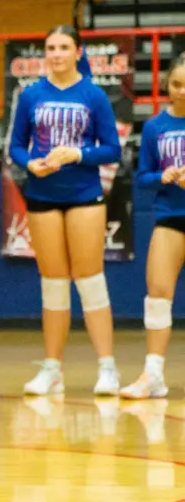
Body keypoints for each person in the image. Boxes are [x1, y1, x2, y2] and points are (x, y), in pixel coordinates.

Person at [8, 25, 122, 397]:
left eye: (63, 47)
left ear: (78, 52)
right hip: (42, 196)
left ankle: (107, 367)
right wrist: (31, 164)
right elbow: (16, 147)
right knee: (53, 284)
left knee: (90, 280)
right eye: (51, 47)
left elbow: (113, 149)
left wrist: (77, 154)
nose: (56, 54)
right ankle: (52, 369)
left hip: (84, 195)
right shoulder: (31, 94)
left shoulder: (94, 95)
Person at [120, 53, 185, 399]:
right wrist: (164, 176)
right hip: (170, 217)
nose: (182, 91)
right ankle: (153, 374)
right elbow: (142, 177)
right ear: (166, 86)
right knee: (158, 294)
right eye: (176, 84)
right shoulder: (155, 127)